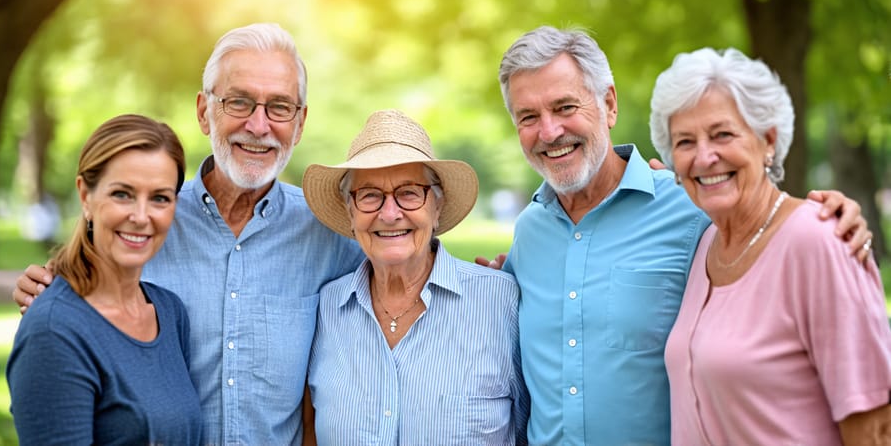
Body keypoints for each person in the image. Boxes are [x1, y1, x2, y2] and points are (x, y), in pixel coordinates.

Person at [489, 25, 874, 445]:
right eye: (528, 116)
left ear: (609, 104)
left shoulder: (691, 210)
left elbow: (762, 223)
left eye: (565, 107)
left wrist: (825, 216)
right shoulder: (529, 231)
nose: (549, 132)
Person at [13, 23, 365, 445]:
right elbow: (71, 308)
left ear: (300, 122)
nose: (258, 125)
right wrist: (49, 292)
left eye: (279, 107)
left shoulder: (331, 233)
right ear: (203, 111)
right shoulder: (146, 222)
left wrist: (468, 286)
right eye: (239, 102)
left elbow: (408, 285)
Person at [649, 47, 891, 444]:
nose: (704, 156)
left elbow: (874, 427)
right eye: (685, 141)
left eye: (722, 133)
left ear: (768, 141)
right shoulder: (706, 241)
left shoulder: (818, 240)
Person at [301, 109, 528, 444]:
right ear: (350, 213)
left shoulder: (502, 302)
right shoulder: (325, 310)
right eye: (369, 195)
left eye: (409, 192)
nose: (389, 214)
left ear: (436, 208)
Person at [7, 114, 202, 445]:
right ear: (85, 196)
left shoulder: (169, 312)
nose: (141, 217)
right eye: (122, 194)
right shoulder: (54, 330)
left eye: (159, 198)